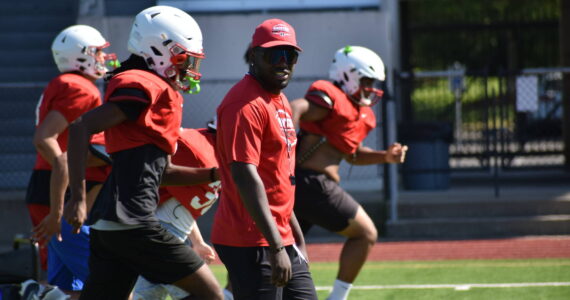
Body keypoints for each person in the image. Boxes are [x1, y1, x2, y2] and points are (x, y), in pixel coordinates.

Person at [62, 6, 222, 299]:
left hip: (110, 225)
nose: (189, 68)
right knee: (211, 294)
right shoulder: (144, 85)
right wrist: (77, 197)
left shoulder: (158, 91)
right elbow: (80, 127)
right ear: (157, 49)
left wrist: (216, 174)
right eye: (184, 58)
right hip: (133, 222)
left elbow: (163, 173)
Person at [290, 45, 408, 300]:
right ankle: (338, 297)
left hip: (303, 186)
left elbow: (352, 154)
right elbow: (296, 107)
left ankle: (227, 294)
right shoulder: (331, 96)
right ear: (348, 74)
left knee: (276, 250)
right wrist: (283, 141)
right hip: (312, 183)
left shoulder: (360, 113)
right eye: (366, 80)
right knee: (366, 234)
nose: (370, 87)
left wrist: (385, 157)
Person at [212, 19, 318, 300]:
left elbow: (280, 179)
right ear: (255, 55)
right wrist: (275, 247)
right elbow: (245, 176)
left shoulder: (278, 98)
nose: (283, 62)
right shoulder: (244, 104)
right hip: (252, 238)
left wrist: (296, 238)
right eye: (274, 55)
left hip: (278, 235)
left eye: (290, 55)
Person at [25, 24, 115, 296]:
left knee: (66, 289)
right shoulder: (79, 88)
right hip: (62, 194)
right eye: (97, 53)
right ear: (81, 55)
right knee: (110, 283)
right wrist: (66, 173)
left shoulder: (67, 84)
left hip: (51, 188)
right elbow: (44, 138)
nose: (102, 59)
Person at [132, 126, 224, 300]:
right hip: (159, 234)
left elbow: (180, 205)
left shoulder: (217, 153)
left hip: (169, 233)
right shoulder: (197, 149)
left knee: (146, 295)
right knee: (205, 293)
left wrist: (197, 242)